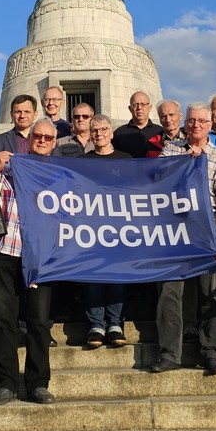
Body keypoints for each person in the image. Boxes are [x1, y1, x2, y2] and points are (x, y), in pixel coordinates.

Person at [0, 118, 60, 406]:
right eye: (38, 136)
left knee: (38, 322)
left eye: (49, 138)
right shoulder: (10, 165)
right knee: (3, 319)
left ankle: (38, 384)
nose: (43, 141)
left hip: (41, 256)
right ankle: (6, 383)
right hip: (5, 249)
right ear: (29, 138)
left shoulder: (61, 173)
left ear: (54, 142)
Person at [149, 102, 216, 376]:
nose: (196, 125)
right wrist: (185, 160)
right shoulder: (172, 150)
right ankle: (170, 353)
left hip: (207, 224)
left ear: (210, 125)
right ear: (185, 124)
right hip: (174, 224)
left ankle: (210, 352)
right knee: (169, 291)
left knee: (211, 291)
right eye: (191, 120)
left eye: (201, 121)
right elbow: (156, 180)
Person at [80, 114, 131, 347]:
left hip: (120, 229)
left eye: (103, 129)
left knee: (118, 276)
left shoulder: (127, 159)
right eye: (95, 130)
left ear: (111, 133)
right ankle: (96, 324)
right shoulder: (83, 162)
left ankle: (115, 323)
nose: (99, 134)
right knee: (93, 276)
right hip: (92, 230)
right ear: (90, 135)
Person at [112, 90, 162, 158]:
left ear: (149, 107)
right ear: (130, 109)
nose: (139, 108)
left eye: (143, 104)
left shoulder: (160, 132)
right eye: (135, 105)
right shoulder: (118, 133)